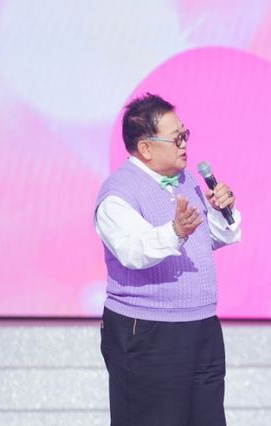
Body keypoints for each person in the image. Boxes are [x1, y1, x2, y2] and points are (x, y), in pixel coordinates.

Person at [95, 93, 241, 426]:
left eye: (185, 135)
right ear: (145, 148)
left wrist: (221, 212)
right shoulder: (118, 193)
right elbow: (133, 250)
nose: (184, 145)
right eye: (177, 139)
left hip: (201, 326)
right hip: (149, 330)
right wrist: (176, 230)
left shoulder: (186, 180)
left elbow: (206, 239)